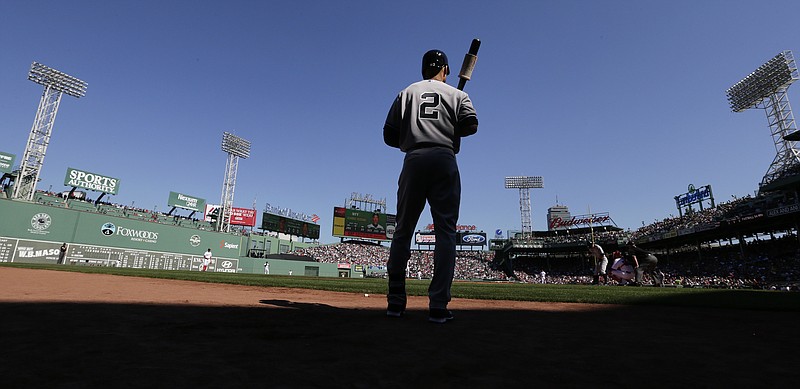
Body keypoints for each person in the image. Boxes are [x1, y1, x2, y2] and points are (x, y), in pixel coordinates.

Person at [383, 48, 479, 323]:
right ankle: (438, 305)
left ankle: (396, 302)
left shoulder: (407, 91)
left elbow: (389, 136)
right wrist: (449, 127)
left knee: (402, 231)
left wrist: (414, 131)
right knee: (446, 233)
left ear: (423, 69)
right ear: (446, 70)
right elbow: (471, 125)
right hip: (444, 159)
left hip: (413, 159)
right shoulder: (458, 95)